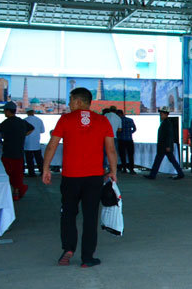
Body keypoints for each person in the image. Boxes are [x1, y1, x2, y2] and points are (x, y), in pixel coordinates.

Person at [42, 86, 116, 268]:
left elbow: (52, 145)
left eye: (70, 101)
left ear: (79, 101)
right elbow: (111, 149)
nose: (69, 104)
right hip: (94, 177)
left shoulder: (65, 119)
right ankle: (87, 257)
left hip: (71, 176)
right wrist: (113, 171)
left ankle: (68, 248)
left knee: (68, 213)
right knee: (90, 216)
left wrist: (46, 168)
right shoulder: (102, 121)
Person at [144, 109, 184, 180]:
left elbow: (169, 135)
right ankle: (180, 173)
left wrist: (168, 146)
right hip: (163, 146)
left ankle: (153, 175)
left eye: (161, 114)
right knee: (166, 160)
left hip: (164, 146)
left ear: (166, 115)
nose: (160, 116)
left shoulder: (167, 123)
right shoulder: (165, 122)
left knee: (161, 160)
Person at [23, 109, 45, 176]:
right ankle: (42, 171)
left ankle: (31, 172)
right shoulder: (39, 120)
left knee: (29, 159)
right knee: (39, 158)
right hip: (36, 142)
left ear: (27, 113)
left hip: (27, 143)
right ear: (33, 112)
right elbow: (42, 131)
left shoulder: (24, 120)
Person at [116, 109, 136, 174]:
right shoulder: (130, 120)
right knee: (130, 155)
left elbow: (117, 130)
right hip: (129, 139)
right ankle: (131, 169)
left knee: (122, 155)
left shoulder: (119, 121)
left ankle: (124, 169)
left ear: (119, 114)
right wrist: (130, 133)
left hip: (121, 140)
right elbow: (134, 129)